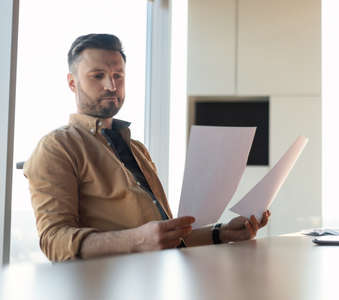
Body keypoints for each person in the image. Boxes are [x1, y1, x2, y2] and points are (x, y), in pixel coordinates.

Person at [24, 34, 270, 262]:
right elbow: (54, 241)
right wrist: (138, 240)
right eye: (97, 75)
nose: (111, 85)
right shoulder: (56, 147)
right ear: (72, 83)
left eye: (118, 75)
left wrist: (222, 233)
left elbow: (163, 237)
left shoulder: (137, 149)